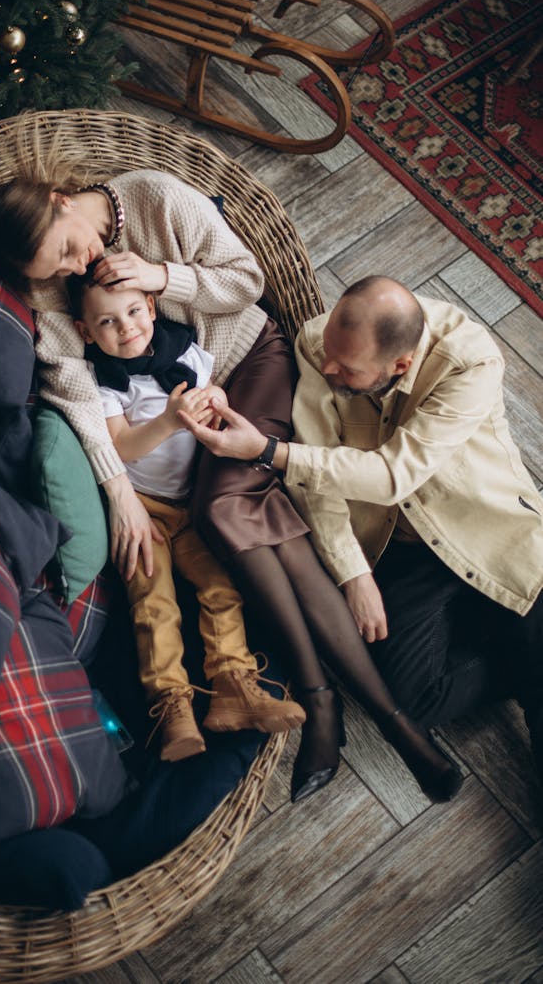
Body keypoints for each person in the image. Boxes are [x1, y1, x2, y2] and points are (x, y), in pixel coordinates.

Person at [0, 166, 463, 803]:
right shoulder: (53, 297)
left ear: (63, 201)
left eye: (68, 249)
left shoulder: (155, 199)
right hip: (184, 429)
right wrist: (120, 493)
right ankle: (388, 721)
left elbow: (247, 282)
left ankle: (320, 699)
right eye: (54, 271)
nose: (73, 268)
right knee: (239, 516)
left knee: (221, 506)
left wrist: (159, 277)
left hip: (248, 362)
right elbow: (77, 398)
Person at [179, 275, 543, 782]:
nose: (327, 368)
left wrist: (266, 451)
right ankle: (517, 650)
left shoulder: (470, 359)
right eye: (329, 351)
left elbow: (394, 475)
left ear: (401, 365)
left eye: (347, 369)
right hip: (403, 548)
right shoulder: (316, 344)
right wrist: (352, 572)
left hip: (487, 530)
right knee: (414, 700)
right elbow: (316, 481)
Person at [67, 271, 306, 761]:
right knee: (153, 603)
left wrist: (215, 402)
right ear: (86, 331)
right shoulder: (104, 381)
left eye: (134, 312)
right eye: (108, 322)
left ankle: (232, 683)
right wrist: (168, 420)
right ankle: (172, 704)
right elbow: (122, 447)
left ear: (152, 308)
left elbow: (215, 398)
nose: (127, 328)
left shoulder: (186, 350)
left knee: (222, 588)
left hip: (194, 503)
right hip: (144, 510)